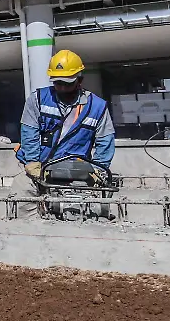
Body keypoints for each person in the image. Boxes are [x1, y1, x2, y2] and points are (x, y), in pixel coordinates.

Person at [14, 50, 116, 216]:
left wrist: (100, 170)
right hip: (40, 165)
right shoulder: (38, 99)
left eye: (67, 83)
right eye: (57, 82)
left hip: (76, 168)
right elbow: (29, 132)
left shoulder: (97, 107)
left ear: (79, 80)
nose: (61, 87)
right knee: (22, 199)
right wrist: (32, 163)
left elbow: (105, 141)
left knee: (92, 209)